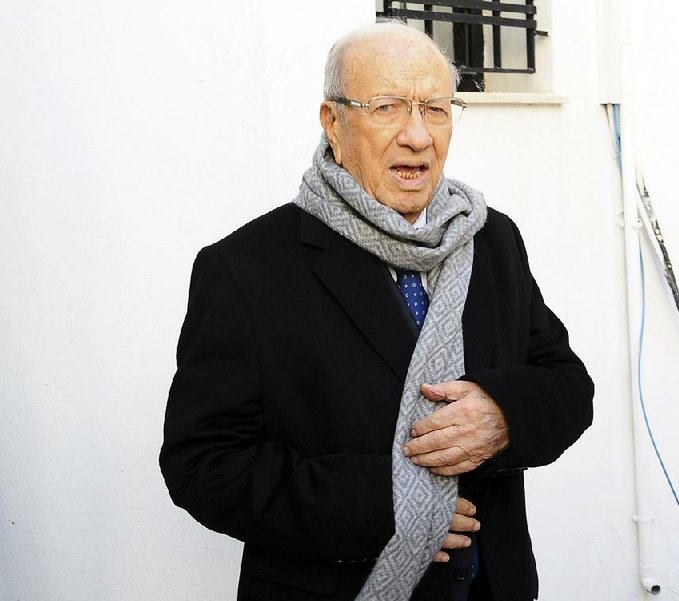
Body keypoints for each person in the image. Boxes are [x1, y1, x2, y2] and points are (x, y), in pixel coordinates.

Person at [160, 21, 593, 601]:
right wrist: (385, 503)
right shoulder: (246, 268)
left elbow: (567, 385)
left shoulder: (490, 240)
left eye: (436, 110)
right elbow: (203, 464)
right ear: (332, 123)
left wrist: (504, 415)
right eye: (387, 107)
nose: (417, 135)